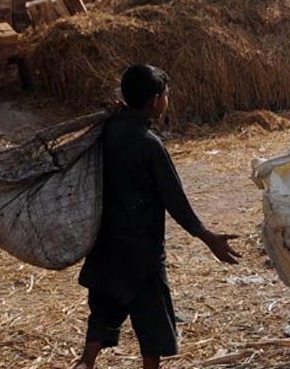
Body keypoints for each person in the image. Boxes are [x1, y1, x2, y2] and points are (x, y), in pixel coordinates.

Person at [73, 64, 241, 369]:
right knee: (151, 324)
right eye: (166, 95)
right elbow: (175, 200)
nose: (167, 101)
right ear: (154, 101)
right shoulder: (149, 145)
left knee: (104, 313)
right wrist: (208, 237)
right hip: (142, 252)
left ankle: (85, 363)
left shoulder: (108, 130)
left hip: (105, 245)